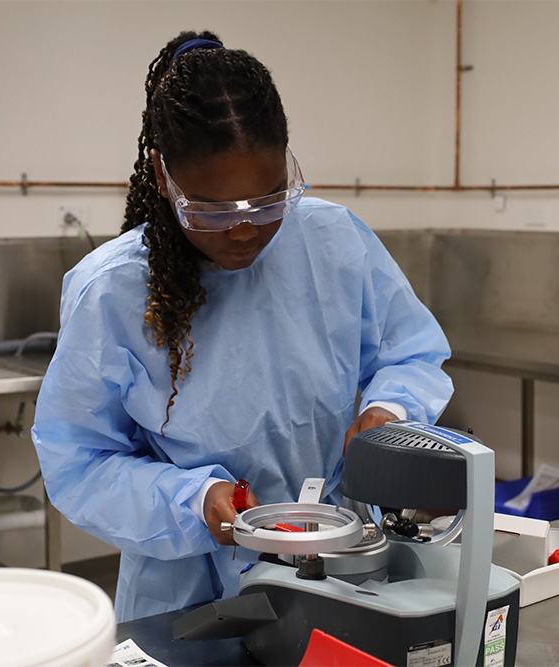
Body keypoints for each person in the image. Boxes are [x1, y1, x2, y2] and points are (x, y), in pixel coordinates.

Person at [31, 30, 453, 623]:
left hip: (335, 564)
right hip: (185, 595)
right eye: (211, 210)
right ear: (163, 176)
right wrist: (194, 501)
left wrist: (389, 414)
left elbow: (408, 352)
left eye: (270, 200)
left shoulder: (332, 243)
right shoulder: (113, 292)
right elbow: (79, 462)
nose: (244, 230)